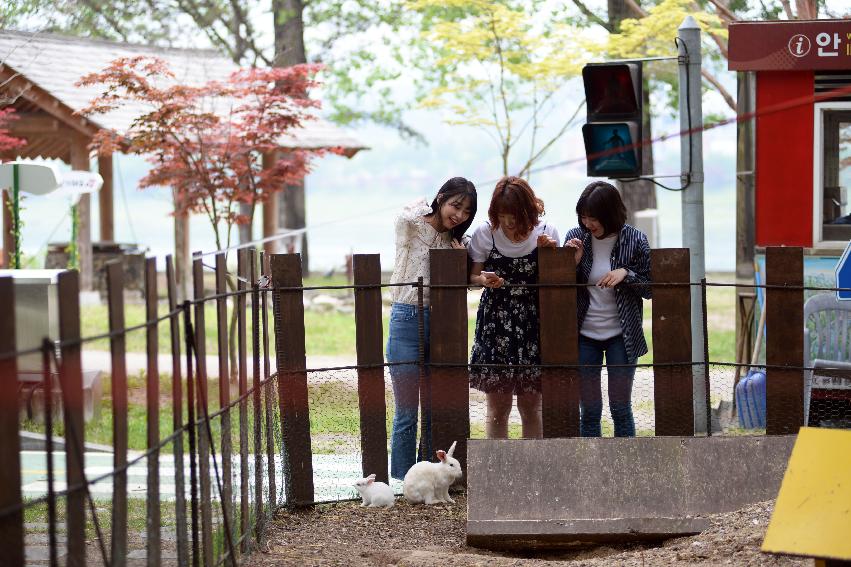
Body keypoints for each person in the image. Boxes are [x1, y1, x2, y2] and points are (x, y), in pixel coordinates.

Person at [387, 177, 477, 480]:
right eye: (456, 205)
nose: (460, 215)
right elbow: (401, 215)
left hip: (439, 323)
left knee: (432, 408)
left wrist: (458, 259)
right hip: (405, 317)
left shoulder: (454, 241)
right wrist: (423, 205)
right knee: (407, 410)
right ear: (441, 198)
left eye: (467, 211)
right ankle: (402, 479)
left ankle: (426, 476)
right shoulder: (412, 225)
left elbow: (459, 284)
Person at [468, 176, 558, 439]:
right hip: (496, 322)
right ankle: (497, 468)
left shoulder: (546, 232)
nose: (508, 221)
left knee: (531, 406)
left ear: (528, 210)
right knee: (498, 407)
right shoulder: (486, 233)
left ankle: (533, 469)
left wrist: (551, 255)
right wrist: (484, 279)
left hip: (533, 321)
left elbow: (557, 280)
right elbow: (473, 277)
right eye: (502, 214)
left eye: (514, 215)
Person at [563, 181, 651, 437]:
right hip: (584, 335)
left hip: (622, 337)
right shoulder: (575, 238)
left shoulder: (635, 239)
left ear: (610, 214)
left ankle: (626, 468)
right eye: (584, 217)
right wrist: (573, 264)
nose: (588, 223)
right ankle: (590, 469)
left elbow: (650, 288)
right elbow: (561, 288)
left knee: (620, 407)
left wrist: (626, 273)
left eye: (594, 218)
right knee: (589, 410)